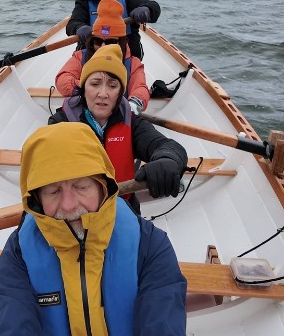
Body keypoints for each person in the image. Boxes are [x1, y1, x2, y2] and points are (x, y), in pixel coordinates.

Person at [0, 122, 199, 336]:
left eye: (81, 186)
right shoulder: (20, 253)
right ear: (36, 198)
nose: (69, 205)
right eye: (53, 191)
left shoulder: (148, 245)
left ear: (103, 185)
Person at [50, 44, 187, 215]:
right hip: (76, 215)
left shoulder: (132, 123)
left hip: (123, 211)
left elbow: (167, 146)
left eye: (112, 86)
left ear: (121, 92)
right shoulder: (60, 123)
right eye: (95, 84)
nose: (103, 93)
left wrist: (169, 160)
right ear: (83, 88)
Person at [56, 0, 150, 113]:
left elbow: (140, 88)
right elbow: (63, 79)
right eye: (98, 41)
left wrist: (133, 105)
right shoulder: (80, 57)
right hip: (84, 113)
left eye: (111, 41)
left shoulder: (133, 63)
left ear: (121, 42)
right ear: (92, 41)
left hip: (118, 114)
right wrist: (87, 87)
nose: (104, 46)